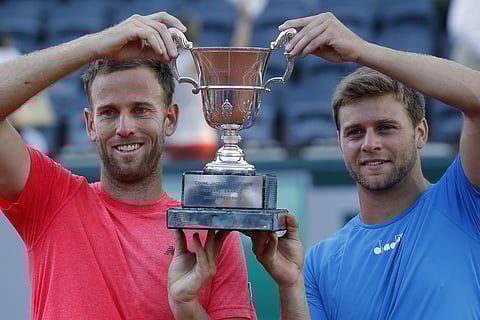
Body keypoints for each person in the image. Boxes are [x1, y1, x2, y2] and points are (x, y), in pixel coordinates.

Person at [0, 12, 256, 320]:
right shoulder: (50, 198)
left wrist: (187, 308)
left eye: (140, 110)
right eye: (108, 112)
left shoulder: (209, 235)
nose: (124, 127)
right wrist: (97, 45)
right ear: (90, 124)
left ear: (170, 119)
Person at [271, 12, 480, 319]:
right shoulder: (322, 261)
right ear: (340, 142)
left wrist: (360, 50)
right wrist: (290, 287)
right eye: (355, 132)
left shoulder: (462, 201)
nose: (370, 143)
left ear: (420, 132)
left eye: (386, 128)